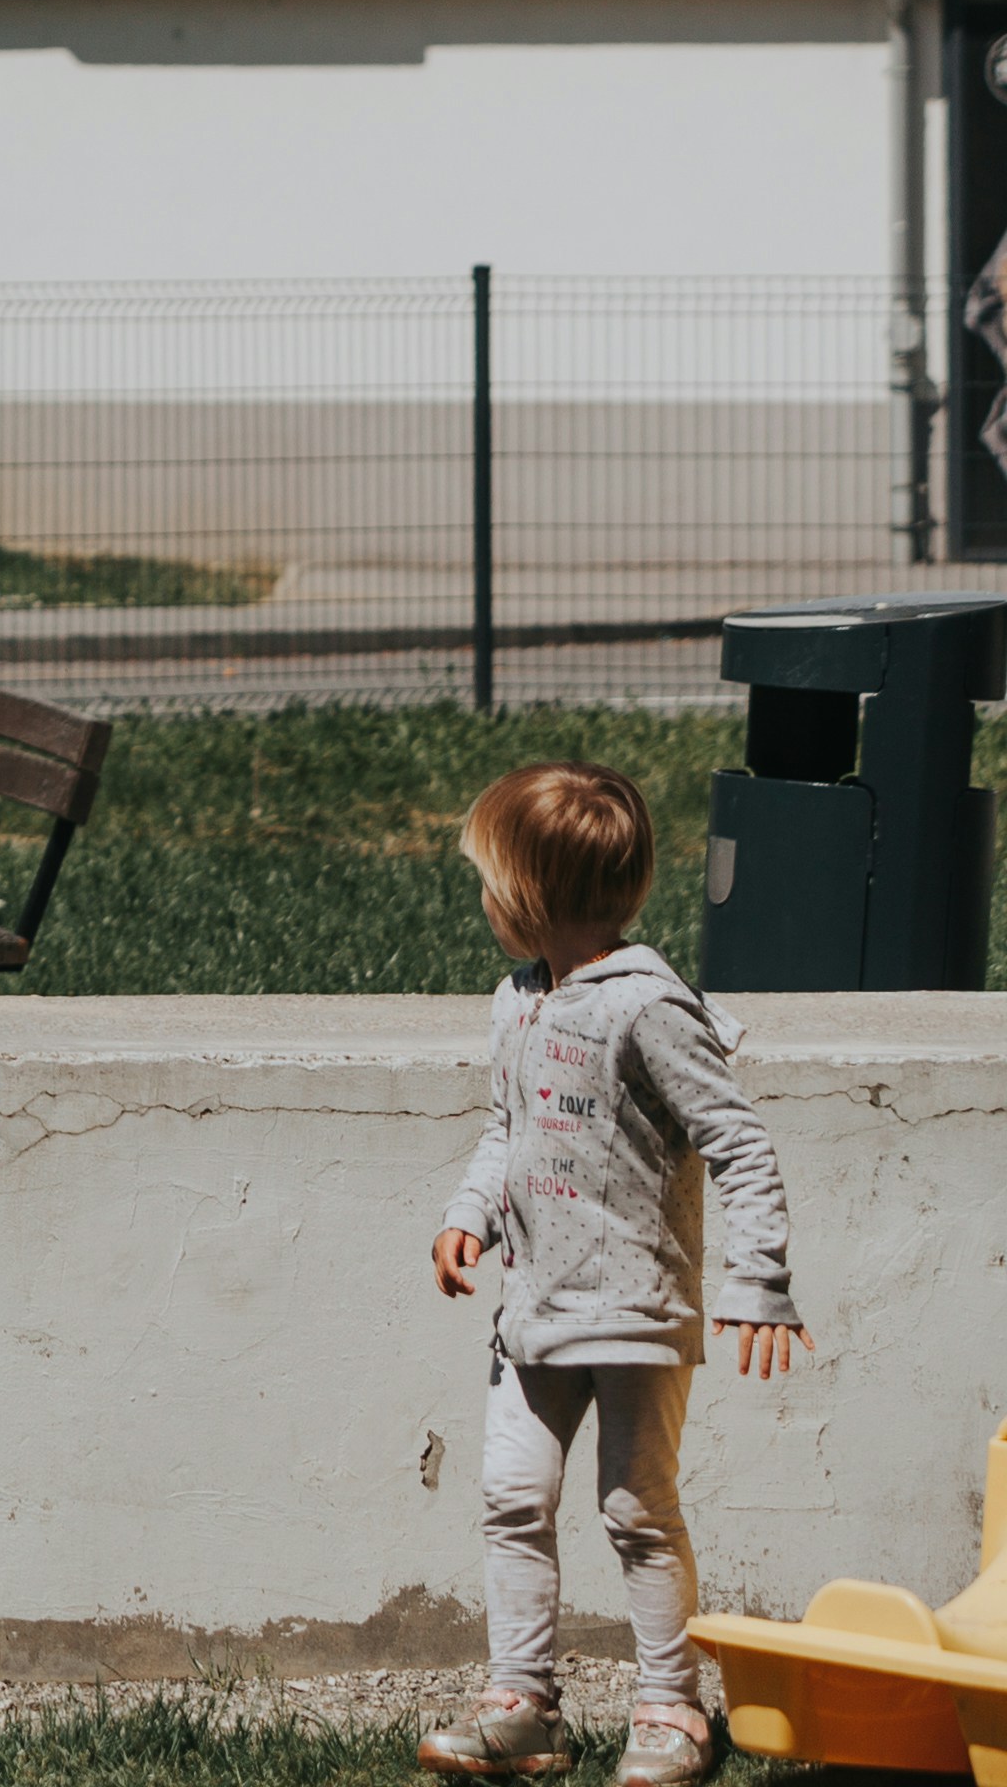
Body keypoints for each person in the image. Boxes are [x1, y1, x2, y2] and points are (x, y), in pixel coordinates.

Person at [421, 760, 801, 1785]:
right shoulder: (517, 1000)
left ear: (530, 892)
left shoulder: (648, 1006)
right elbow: (508, 1125)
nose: (483, 898)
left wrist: (754, 1280)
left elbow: (736, 1140)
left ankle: (670, 1705)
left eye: (490, 879)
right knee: (509, 1495)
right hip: (532, 1312)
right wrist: (469, 1215)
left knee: (637, 1509)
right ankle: (522, 1701)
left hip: (635, 1309)